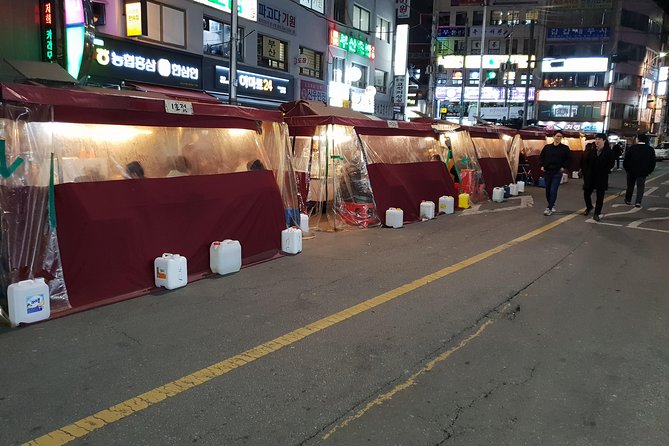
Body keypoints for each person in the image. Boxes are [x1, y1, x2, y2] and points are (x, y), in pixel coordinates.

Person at [581, 133, 615, 222]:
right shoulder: (591, 151)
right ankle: (589, 207)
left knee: (600, 197)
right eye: (596, 139)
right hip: (590, 176)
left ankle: (597, 213)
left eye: (599, 139)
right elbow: (586, 162)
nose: (597, 141)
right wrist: (584, 172)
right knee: (586, 193)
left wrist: (605, 170)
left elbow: (611, 164)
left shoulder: (609, 152)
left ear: (604, 140)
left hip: (601, 176)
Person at [539, 131, 570, 216]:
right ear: (553, 137)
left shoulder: (565, 148)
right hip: (547, 171)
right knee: (548, 190)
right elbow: (541, 157)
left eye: (560, 136)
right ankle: (551, 204)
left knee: (553, 190)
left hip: (557, 172)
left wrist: (563, 167)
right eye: (557, 136)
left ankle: (549, 208)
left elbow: (568, 159)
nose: (558, 138)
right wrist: (542, 165)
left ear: (562, 138)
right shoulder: (547, 147)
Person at [623, 133, 656, 208]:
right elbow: (652, 162)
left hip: (631, 171)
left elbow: (626, 160)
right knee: (640, 187)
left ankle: (628, 200)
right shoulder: (650, 149)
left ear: (638, 139)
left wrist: (627, 169)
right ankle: (638, 202)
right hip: (643, 172)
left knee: (630, 186)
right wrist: (649, 171)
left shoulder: (632, 148)